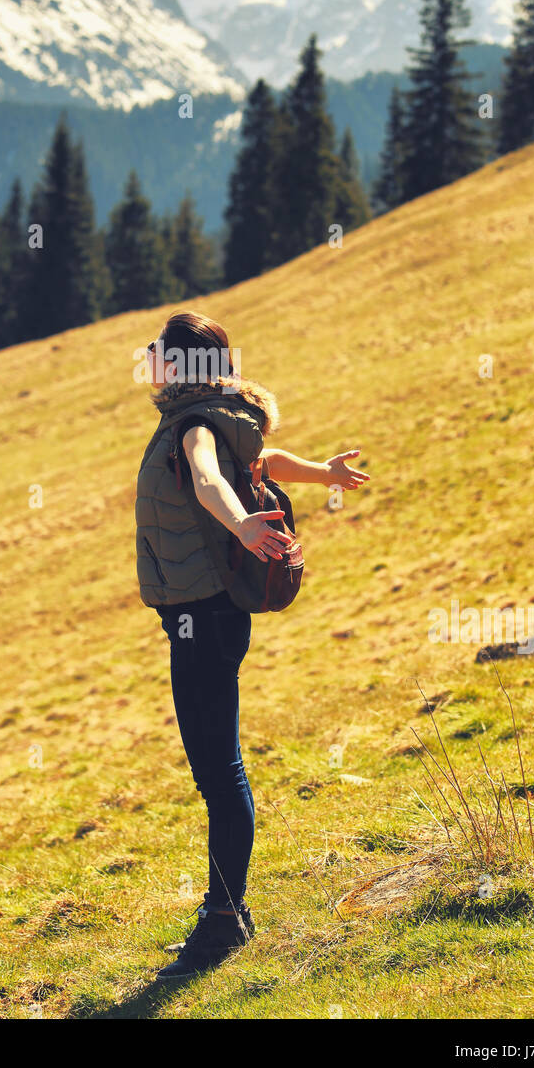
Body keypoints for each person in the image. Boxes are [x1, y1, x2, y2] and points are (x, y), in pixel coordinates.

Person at [135, 310, 369, 979]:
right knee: (219, 767)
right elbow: (264, 461)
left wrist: (240, 526)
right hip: (207, 613)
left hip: (202, 615)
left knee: (218, 771)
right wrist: (323, 474)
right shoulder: (221, 412)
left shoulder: (195, 426)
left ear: (180, 365)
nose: (148, 356)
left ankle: (225, 919)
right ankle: (225, 912)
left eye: (157, 350)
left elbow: (210, 478)